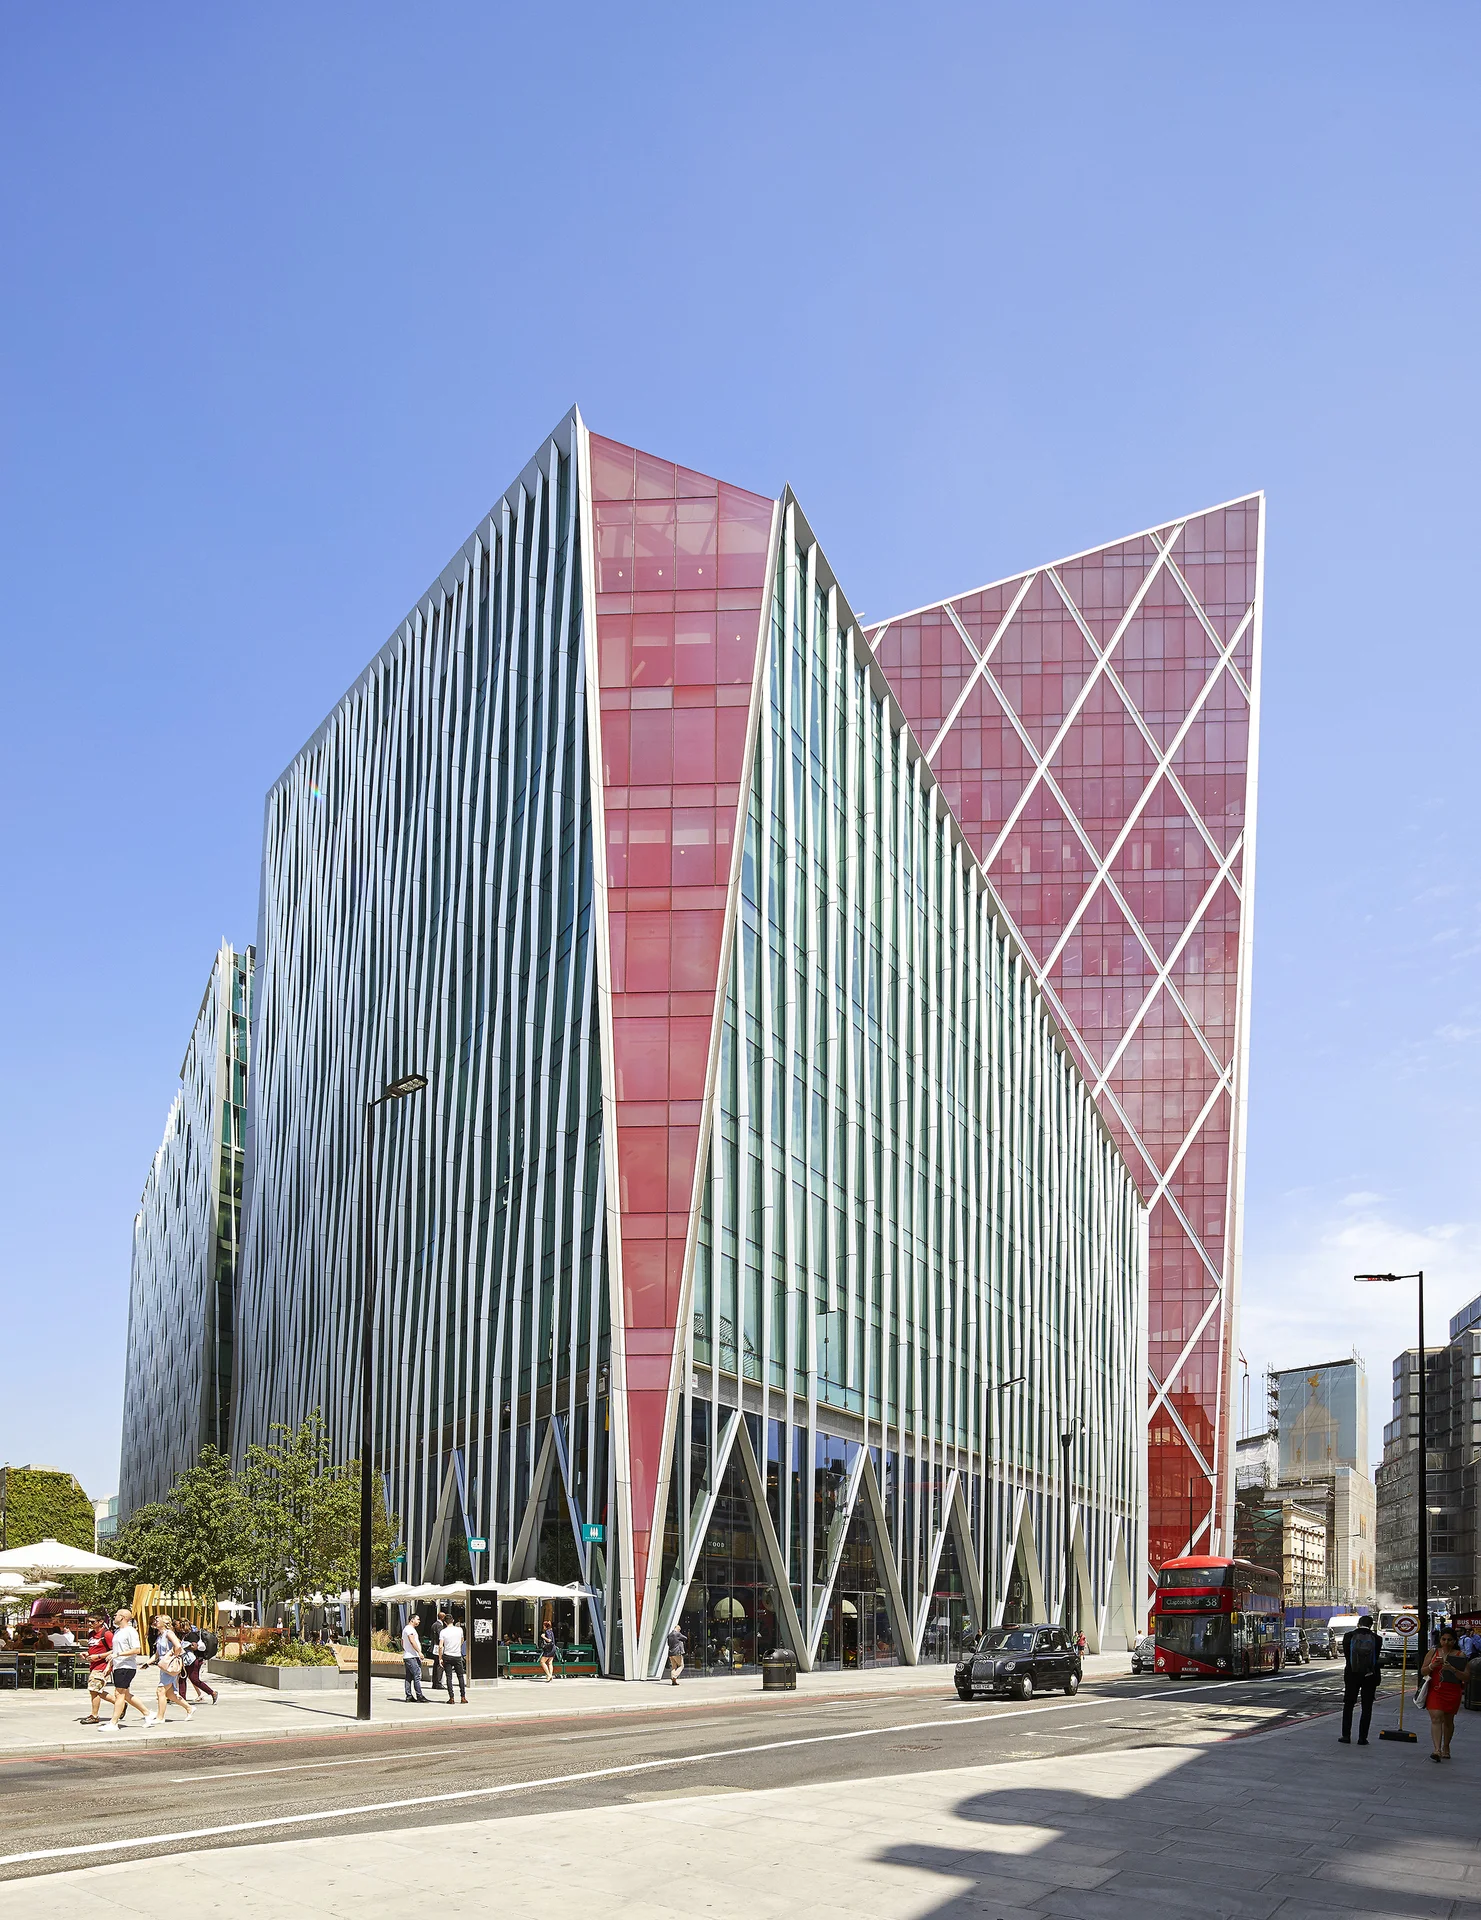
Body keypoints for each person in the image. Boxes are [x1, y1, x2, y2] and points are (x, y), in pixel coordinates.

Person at [1419, 1627, 1468, 1761]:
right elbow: (1423, 1671)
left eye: (1450, 1640)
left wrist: (1452, 1669)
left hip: (1452, 1690)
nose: (1446, 1642)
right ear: (1440, 1639)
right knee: (1436, 1717)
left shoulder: (1460, 1655)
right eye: (1443, 1639)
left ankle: (1446, 1746)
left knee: (1448, 1720)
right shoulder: (1433, 1652)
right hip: (1435, 1690)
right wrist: (1432, 1666)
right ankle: (1437, 1750)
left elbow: (1466, 1677)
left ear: (1455, 1641)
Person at [1338, 1612, 1382, 1745]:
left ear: (1358, 1624)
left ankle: (1346, 1736)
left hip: (1352, 1674)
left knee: (1349, 1705)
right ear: (1371, 1625)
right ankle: (1363, 1738)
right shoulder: (1377, 1638)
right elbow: (1376, 1657)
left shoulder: (1348, 1636)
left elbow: (1347, 1656)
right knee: (1367, 1706)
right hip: (1369, 1675)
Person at [104, 1609, 148, 1731]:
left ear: (122, 1617)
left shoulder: (131, 1631)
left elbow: (136, 1649)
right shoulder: (118, 1631)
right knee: (126, 1695)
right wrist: (109, 1664)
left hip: (127, 1666)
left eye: (116, 1615)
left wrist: (117, 1655)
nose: (114, 1617)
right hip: (118, 1666)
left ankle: (114, 1722)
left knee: (119, 1694)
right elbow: (115, 1651)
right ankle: (148, 1714)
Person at [148, 1616, 195, 1725]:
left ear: (164, 1622)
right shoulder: (160, 1636)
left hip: (169, 1666)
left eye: (157, 1620)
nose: (155, 1622)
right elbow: (157, 1654)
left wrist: (172, 1657)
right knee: (170, 1694)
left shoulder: (169, 1633)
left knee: (160, 1691)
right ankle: (189, 1708)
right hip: (164, 1666)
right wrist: (148, 1663)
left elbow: (178, 1646)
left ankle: (160, 1717)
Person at [80, 1615, 113, 1725]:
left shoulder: (107, 1634)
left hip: (102, 1666)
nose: (89, 1624)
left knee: (94, 1690)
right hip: (93, 1665)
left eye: (92, 1622)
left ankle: (94, 1715)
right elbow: (93, 1649)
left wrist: (98, 1656)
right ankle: (119, 1703)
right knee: (96, 1690)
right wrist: (88, 1654)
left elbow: (115, 1651)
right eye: (88, 1621)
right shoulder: (91, 1634)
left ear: (100, 1622)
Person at [179, 1622, 218, 1704]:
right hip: (186, 1660)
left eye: (182, 1626)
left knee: (194, 1679)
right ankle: (182, 1698)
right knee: (182, 1677)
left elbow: (194, 1647)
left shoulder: (192, 1635)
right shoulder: (184, 1635)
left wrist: (185, 1645)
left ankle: (212, 1692)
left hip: (194, 1660)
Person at [438, 1611, 467, 1704]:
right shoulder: (459, 1630)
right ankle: (463, 1697)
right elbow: (462, 1640)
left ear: (445, 1622)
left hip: (447, 1655)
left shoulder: (443, 1632)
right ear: (453, 1620)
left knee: (449, 1677)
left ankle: (451, 1698)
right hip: (457, 1655)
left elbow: (440, 1646)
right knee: (460, 1676)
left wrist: (440, 1658)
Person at [401, 1610, 428, 1702]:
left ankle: (409, 1695)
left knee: (409, 1676)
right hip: (412, 1656)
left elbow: (402, 1642)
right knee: (417, 1676)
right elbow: (412, 1641)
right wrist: (419, 1652)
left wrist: (406, 1649)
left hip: (408, 1655)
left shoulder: (406, 1629)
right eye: (418, 1619)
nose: (419, 1621)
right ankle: (419, 1695)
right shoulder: (410, 1629)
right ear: (412, 1620)